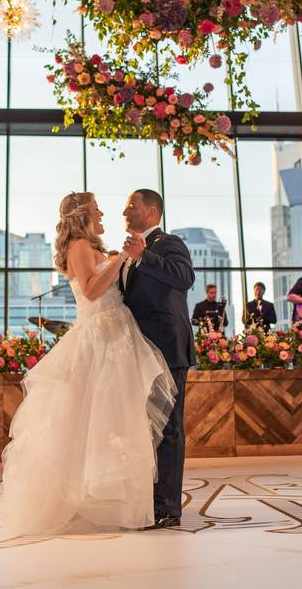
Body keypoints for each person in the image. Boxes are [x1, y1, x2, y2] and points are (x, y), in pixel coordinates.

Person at [0, 192, 178, 536]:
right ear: (82, 216)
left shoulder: (92, 247)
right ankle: (90, 500)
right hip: (101, 336)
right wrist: (120, 257)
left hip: (118, 335)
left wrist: (114, 259)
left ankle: (123, 504)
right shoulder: (78, 246)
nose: (103, 213)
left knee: (118, 421)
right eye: (97, 209)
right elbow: (92, 290)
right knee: (94, 420)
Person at [120, 189, 196, 530]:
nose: (125, 210)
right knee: (144, 428)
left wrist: (144, 257)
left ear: (152, 211)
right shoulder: (131, 250)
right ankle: (147, 502)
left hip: (166, 347)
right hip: (137, 351)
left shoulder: (168, 242)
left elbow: (184, 277)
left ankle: (168, 508)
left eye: (132, 205)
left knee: (168, 428)